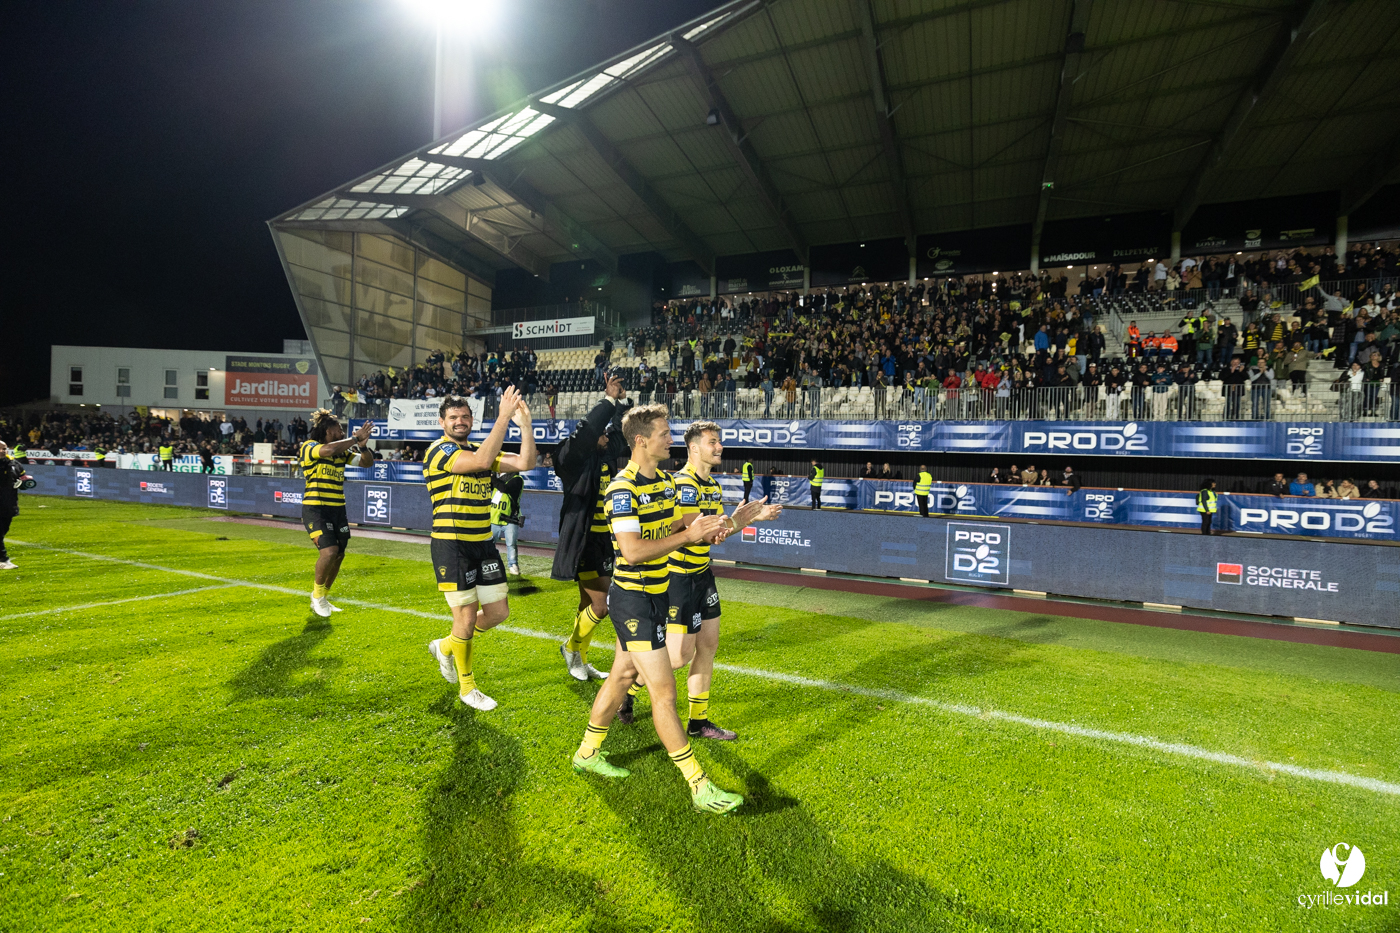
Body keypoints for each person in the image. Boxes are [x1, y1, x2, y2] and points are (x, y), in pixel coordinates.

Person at [569, 404, 742, 814]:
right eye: (665, 433)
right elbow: (631, 552)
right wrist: (687, 538)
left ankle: (587, 752)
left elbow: (690, 529)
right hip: (634, 602)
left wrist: (732, 522)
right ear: (642, 440)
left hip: (660, 594)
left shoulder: (665, 482)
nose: (670, 439)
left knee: (620, 676)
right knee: (663, 695)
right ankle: (698, 784)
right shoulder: (622, 489)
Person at [658, 421, 781, 740]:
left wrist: (750, 518)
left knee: (708, 645)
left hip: (702, 574)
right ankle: (627, 679)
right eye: (712, 441)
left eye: (719, 441)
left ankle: (698, 723)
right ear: (695, 447)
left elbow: (718, 532)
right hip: (680, 576)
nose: (719, 447)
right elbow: (693, 535)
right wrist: (740, 519)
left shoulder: (711, 485)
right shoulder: (683, 484)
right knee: (677, 658)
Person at [425, 389, 536, 711]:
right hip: (452, 545)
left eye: (465, 416)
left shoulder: (478, 449)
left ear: (472, 420)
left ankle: (445, 647)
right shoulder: (439, 451)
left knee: (499, 612)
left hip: (483, 543)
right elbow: (482, 462)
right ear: (442, 422)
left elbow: (526, 462)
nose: (460, 422)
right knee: (465, 618)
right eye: (453, 418)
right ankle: (467, 687)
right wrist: (503, 416)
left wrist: (524, 426)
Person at [552, 376, 631, 682]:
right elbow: (587, 433)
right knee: (601, 606)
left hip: (604, 540)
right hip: (583, 541)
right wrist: (608, 401)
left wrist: (622, 405)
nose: (604, 436)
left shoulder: (603, 453)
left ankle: (580, 659)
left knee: (587, 604)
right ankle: (571, 648)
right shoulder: (569, 456)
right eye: (599, 431)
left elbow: (624, 435)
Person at [298, 410, 374, 617]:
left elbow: (367, 463)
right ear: (328, 430)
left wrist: (363, 446)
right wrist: (355, 438)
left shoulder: (342, 452)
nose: (342, 432)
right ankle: (317, 597)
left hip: (338, 508)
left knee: (339, 555)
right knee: (329, 552)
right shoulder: (310, 446)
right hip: (316, 509)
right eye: (339, 428)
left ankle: (323, 597)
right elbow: (327, 451)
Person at [0, 441, 35, 570]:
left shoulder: (14, 464)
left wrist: (26, 481)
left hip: (9, 503)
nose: (3, 451)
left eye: (4, 448)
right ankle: (3, 560)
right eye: (0, 449)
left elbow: (22, 477)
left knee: (4, 531)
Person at [489, 472, 525, 577]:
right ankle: (490, 564)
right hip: (494, 518)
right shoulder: (498, 479)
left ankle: (513, 565)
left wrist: (492, 477)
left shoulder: (517, 479)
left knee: (511, 544)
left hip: (510, 518)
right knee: (489, 544)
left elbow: (504, 488)